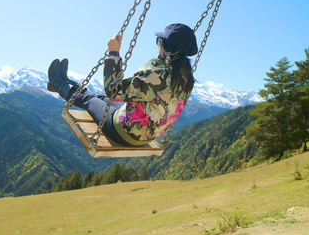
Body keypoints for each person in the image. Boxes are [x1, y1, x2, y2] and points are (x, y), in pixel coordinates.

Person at [47, 23, 198, 146]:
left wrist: (113, 53)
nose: (157, 44)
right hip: (147, 131)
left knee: (91, 101)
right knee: (99, 98)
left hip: (126, 131)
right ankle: (67, 82)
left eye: (159, 41)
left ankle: (59, 84)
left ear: (165, 48)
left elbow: (113, 90)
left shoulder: (158, 75)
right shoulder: (185, 79)